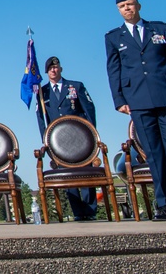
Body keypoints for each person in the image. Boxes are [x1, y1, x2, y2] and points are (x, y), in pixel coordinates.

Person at [105, 0, 166, 221]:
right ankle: (165, 205)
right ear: (118, 10)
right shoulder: (114, 38)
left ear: (139, 6)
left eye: (131, 4)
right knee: (153, 154)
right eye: (123, 6)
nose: (127, 8)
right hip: (138, 101)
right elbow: (114, 71)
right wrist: (119, 100)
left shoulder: (160, 29)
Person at [35, 55, 98, 220]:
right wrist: (46, 140)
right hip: (59, 142)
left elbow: (89, 110)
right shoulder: (43, 93)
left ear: (60, 69)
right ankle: (78, 212)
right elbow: (42, 120)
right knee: (68, 178)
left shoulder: (75, 87)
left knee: (86, 173)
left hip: (80, 137)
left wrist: (92, 134)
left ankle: (90, 211)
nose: (53, 70)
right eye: (50, 69)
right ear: (46, 72)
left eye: (55, 67)